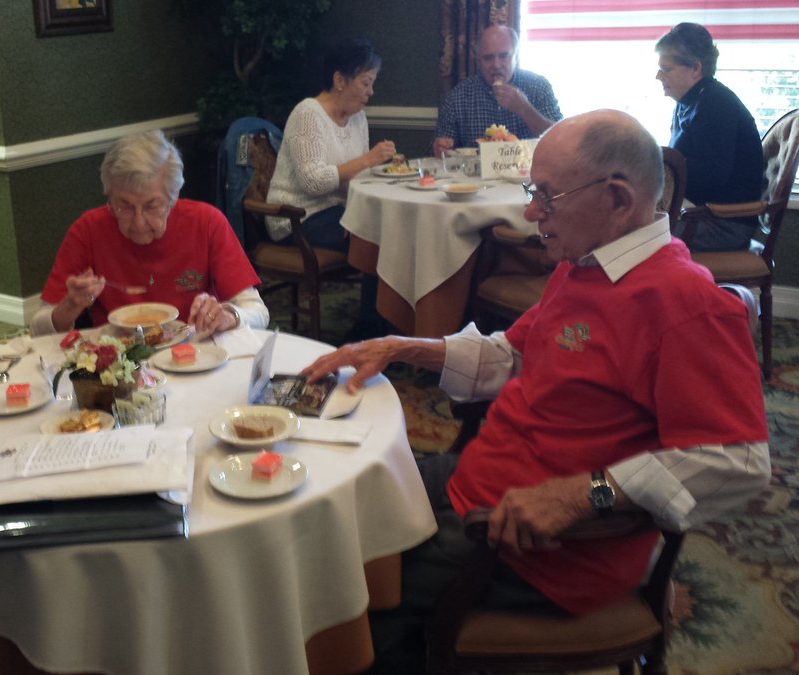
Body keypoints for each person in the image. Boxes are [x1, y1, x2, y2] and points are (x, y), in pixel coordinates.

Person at [303, 109, 770, 672]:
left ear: (618, 200)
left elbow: (738, 461)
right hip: (481, 478)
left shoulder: (683, 305)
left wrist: (583, 494)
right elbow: (514, 354)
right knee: (336, 497)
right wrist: (402, 347)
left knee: (344, 589)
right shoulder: (583, 266)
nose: (530, 212)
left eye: (547, 196)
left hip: (542, 547)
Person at [33, 129, 268, 336]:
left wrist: (229, 315)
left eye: (151, 206)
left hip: (193, 355)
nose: (138, 221)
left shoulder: (206, 222)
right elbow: (37, 328)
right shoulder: (88, 230)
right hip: (117, 364)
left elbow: (258, 312)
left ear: (173, 197)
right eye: (123, 205)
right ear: (109, 196)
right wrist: (68, 308)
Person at [265, 37, 394, 251]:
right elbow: (312, 182)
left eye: (372, 83)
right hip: (297, 218)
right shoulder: (307, 114)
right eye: (366, 83)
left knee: (393, 227)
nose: (371, 92)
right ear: (340, 81)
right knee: (376, 239)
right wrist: (367, 160)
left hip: (338, 210)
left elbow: (358, 176)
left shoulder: (357, 118)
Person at [656, 22, 764, 252]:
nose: (658, 76)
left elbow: (712, 175)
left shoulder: (717, 105)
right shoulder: (690, 101)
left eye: (665, 69)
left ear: (695, 69)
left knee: (627, 233)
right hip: (699, 212)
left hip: (722, 224)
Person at [433, 25, 562, 157]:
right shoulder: (458, 97)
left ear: (516, 57)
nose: (496, 65)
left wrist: (524, 109)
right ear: (478, 60)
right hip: (476, 175)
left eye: (504, 56)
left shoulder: (538, 87)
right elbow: (443, 151)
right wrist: (442, 148)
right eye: (488, 58)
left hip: (529, 173)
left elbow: (560, 140)